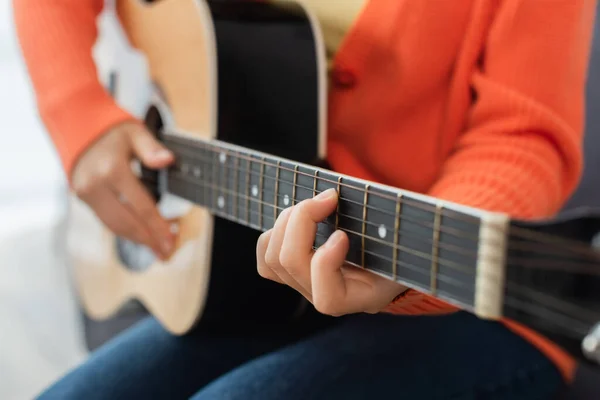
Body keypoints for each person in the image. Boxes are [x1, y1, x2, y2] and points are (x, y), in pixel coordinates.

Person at [12, 0, 597, 398]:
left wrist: (405, 279)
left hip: (465, 293)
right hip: (251, 270)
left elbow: (523, 140)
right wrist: (80, 115)